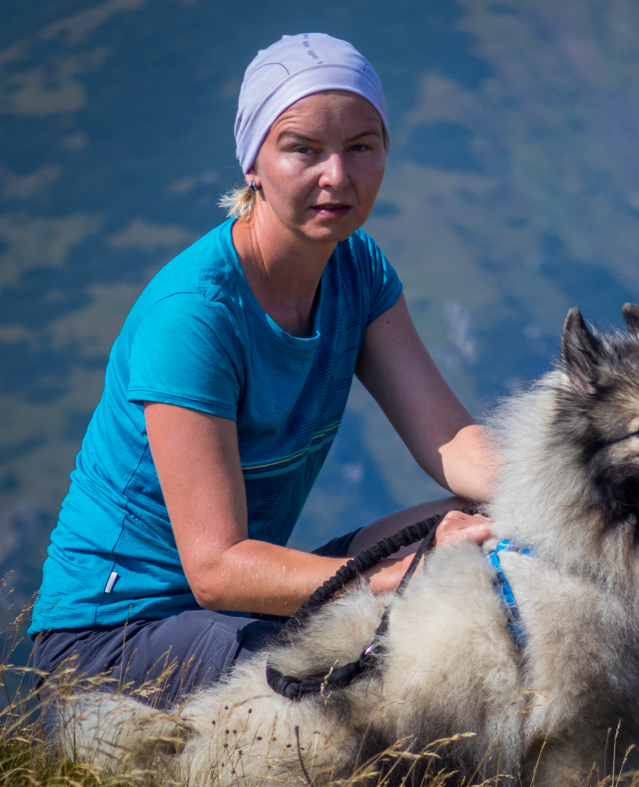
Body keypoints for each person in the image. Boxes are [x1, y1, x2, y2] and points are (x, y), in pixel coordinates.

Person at [28, 33, 496, 708]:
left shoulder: (356, 268)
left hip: (233, 614)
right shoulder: (193, 315)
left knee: (487, 526)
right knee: (369, 674)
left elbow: (451, 441)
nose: (337, 174)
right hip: (110, 641)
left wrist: (557, 493)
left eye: (361, 146)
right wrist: (387, 575)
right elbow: (216, 568)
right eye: (303, 148)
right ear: (254, 162)